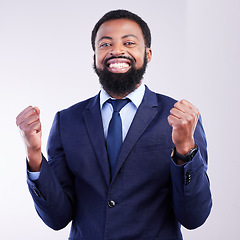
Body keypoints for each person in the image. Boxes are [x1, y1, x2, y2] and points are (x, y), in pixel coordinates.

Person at [16, 9, 212, 240]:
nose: (117, 50)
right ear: (95, 56)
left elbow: (194, 218)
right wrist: (34, 154)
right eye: (105, 44)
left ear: (147, 54)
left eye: (129, 42)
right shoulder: (67, 121)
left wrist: (185, 150)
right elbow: (57, 218)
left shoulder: (180, 119)